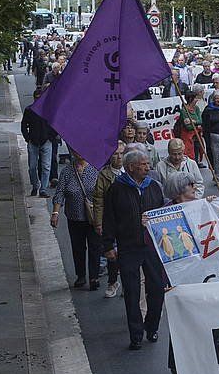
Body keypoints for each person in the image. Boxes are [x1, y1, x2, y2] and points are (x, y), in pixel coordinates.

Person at [101, 150, 167, 350]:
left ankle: (152, 326)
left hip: (152, 247)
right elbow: (109, 219)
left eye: (148, 164)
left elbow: (165, 211)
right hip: (128, 247)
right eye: (144, 164)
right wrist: (108, 245)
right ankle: (136, 334)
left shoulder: (154, 187)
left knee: (157, 289)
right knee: (131, 291)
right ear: (131, 167)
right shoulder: (117, 189)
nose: (148, 168)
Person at [51, 152, 101, 291]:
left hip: (93, 216)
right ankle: (81, 275)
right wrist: (55, 213)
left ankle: (94, 276)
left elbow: (102, 192)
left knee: (95, 247)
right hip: (74, 216)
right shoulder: (67, 171)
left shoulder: (95, 169)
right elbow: (60, 192)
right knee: (78, 247)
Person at [92, 141, 126, 298]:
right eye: (115, 154)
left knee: (127, 253)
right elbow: (98, 200)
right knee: (111, 253)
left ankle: (127, 283)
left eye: (121, 154)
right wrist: (98, 222)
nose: (118, 157)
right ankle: (113, 282)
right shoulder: (104, 175)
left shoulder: (130, 173)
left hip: (127, 220)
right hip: (110, 220)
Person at [22, 88, 57, 197]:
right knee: (32, 166)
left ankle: (43, 189)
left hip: (46, 141)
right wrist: (27, 138)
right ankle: (35, 185)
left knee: (46, 166)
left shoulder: (49, 110)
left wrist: (51, 137)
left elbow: (55, 124)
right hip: (33, 141)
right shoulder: (29, 110)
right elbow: (24, 125)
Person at [174, 90, 203, 163]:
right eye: (195, 98)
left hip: (197, 136)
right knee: (189, 155)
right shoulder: (184, 111)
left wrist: (193, 121)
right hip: (188, 137)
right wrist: (197, 125)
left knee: (197, 152)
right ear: (191, 99)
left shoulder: (196, 108)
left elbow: (200, 121)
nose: (197, 100)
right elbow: (188, 127)